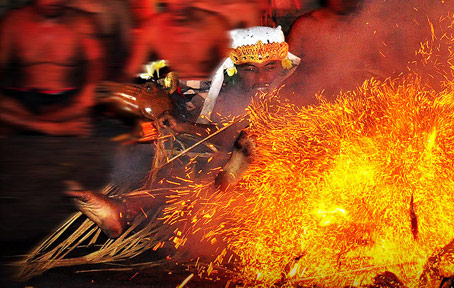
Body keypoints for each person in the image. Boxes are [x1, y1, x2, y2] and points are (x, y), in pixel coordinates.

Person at [66, 26, 300, 238]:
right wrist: (180, 126)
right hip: (222, 189)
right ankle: (124, 208)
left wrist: (237, 158)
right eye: (250, 69)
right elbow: (222, 132)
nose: (261, 78)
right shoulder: (227, 96)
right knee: (189, 162)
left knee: (227, 161)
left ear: (283, 66)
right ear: (236, 72)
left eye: (270, 67)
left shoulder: (299, 94)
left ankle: (127, 209)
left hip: (281, 195)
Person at [0, 0, 103, 136]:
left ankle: (26, 127)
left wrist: (90, 87)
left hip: (66, 103)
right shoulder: (13, 21)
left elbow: (97, 61)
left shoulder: (83, 22)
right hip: (21, 101)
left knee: (88, 103)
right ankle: (50, 128)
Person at [124, 0, 230, 81]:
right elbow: (131, 72)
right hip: (167, 95)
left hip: (210, 94)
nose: (180, 1)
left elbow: (236, 69)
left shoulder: (215, 25)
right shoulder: (152, 28)